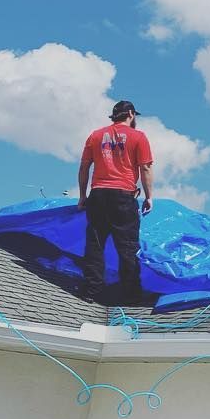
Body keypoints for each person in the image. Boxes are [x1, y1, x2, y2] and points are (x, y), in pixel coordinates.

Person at [77, 100, 153, 302]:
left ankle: (91, 292)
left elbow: (84, 167)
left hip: (99, 194)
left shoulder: (96, 135)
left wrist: (83, 196)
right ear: (130, 113)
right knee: (127, 247)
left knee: (95, 244)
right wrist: (149, 196)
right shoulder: (138, 137)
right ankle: (130, 297)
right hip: (123, 195)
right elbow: (145, 168)